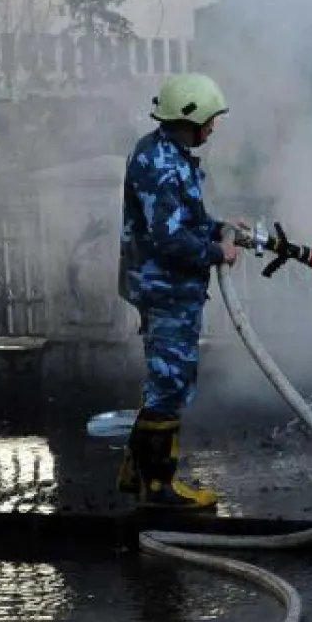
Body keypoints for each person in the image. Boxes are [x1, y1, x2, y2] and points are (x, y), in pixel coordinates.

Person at [115, 73, 243, 509]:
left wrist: (220, 227)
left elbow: (182, 221)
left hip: (167, 287)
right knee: (169, 383)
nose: (212, 129)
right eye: (209, 121)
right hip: (165, 288)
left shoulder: (168, 154)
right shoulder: (164, 165)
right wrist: (217, 252)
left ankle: (137, 473)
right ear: (187, 119)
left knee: (163, 380)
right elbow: (170, 240)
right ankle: (159, 488)